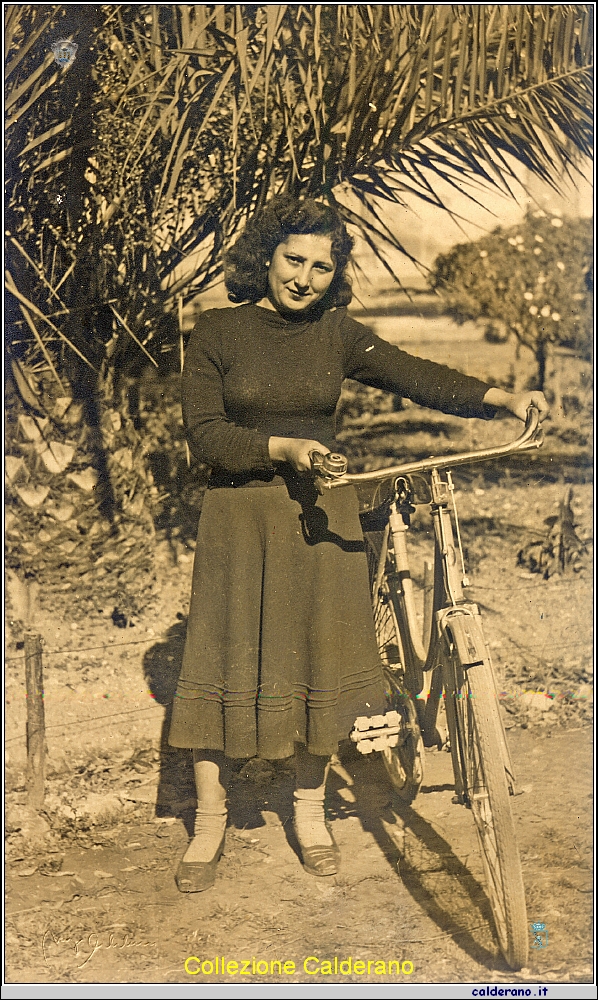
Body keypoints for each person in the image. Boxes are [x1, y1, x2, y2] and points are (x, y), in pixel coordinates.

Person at [169, 195, 548, 892]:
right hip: (240, 518)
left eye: (320, 266)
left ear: (333, 275)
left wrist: (502, 397)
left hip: (323, 518)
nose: (303, 277)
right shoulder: (217, 331)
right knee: (224, 658)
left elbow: (417, 376)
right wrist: (282, 447)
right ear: (265, 257)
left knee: (320, 655)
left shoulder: (338, 333)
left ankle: (309, 810)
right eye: (292, 259)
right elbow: (206, 435)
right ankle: (211, 819)